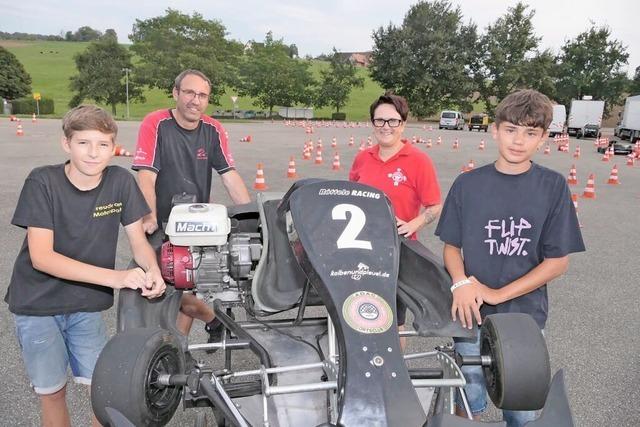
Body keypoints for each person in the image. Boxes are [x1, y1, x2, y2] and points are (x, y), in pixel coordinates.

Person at [5, 105, 166, 426]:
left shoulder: (120, 181)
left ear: (113, 147)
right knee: (52, 393)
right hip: (37, 306)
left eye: (103, 145)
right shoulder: (42, 181)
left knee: (103, 392)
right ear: (67, 144)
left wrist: (153, 271)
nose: (94, 153)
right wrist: (118, 277)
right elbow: (42, 257)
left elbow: (138, 241)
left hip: (86, 306)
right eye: (83, 143)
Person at [435, 89, 585, 427]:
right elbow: (451, 247)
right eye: (511, 130)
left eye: (530, 133)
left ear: (544, 138)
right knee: (467, 399)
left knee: (520, 409)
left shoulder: (553, 186)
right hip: (469, 313)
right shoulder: (468, 184)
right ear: (495, 129)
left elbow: (558, 262)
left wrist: (497, 294)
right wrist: (460, 283)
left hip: (524, 319)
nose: (519, 141)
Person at [132, 69, 251, 344]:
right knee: (170, 292)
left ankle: (180, 349)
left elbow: (229, 175)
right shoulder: (156, 123)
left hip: (195, 225)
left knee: (189, 285)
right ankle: (213, 319)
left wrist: (252, 215)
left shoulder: (213, 129)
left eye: (202, 95)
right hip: (160, 221)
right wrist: (148, 216)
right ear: (175, 93)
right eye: (189, 92)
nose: (194, 100)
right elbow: (146, 175)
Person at [349, 92, 442, 340]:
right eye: (379, 121)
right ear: (372, 124)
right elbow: (350, 197)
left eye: (392, 121)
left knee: (392, 321)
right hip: (359, 248)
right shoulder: (362, 158)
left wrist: (412, 224)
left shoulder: (418, 161)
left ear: (403, 124)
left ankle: (393, 375)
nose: (385, 127)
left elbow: (434, 205)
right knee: (357, 313)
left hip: (396, 251)